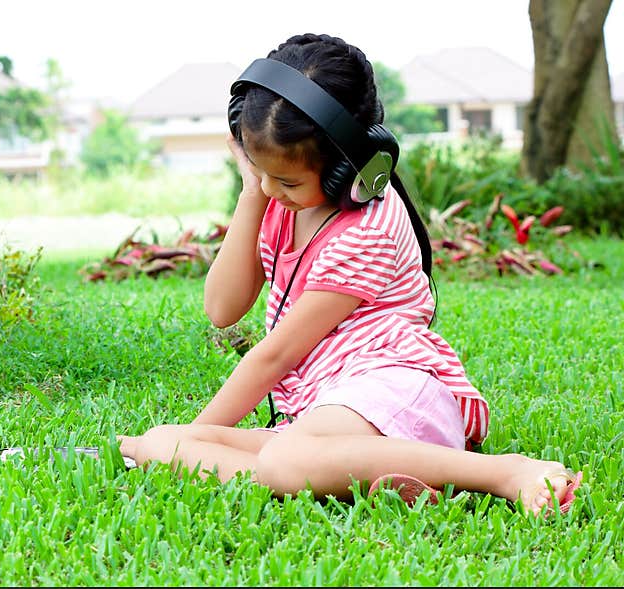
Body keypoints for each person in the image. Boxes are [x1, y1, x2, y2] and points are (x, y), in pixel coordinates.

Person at [118, 33, 581, 516]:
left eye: (288, 180)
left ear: (346, 168)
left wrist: (196, 439)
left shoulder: (368, 227)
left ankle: (507, 471)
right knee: (159, 442)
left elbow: (274, 356)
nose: (274, 189)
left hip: (392, 392)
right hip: (328, 413)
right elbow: (222, 308)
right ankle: (369, 478)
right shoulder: (278, 201)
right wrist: (250, 192)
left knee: (265, 456)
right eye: (261, 170)